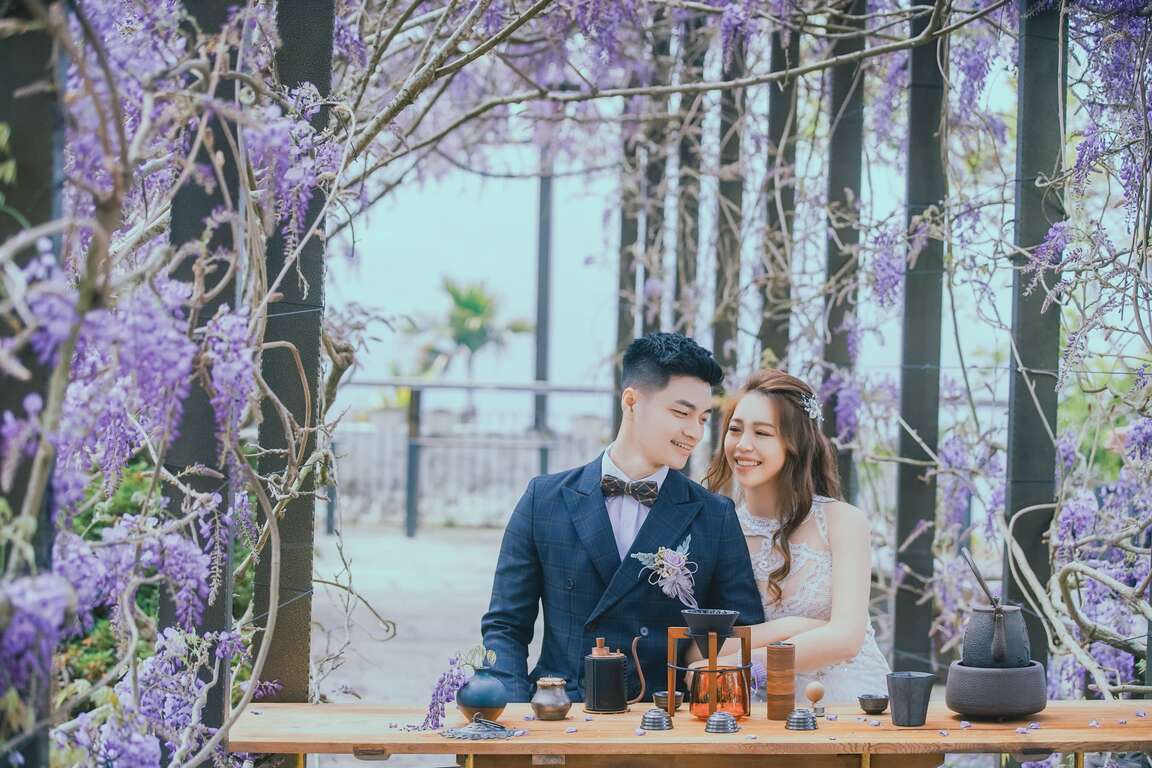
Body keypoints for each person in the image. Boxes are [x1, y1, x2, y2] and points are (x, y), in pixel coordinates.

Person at [481, 332, 765, 703]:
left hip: (665, 716)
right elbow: (505, 626)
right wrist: (514, 710)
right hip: (562, 710)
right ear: (631, 402)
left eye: (702, 418)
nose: (694, 432)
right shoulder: (544, 499)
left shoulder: (714, 515)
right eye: (681, 413)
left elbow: (739, 630)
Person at [692, 368, 889, 703]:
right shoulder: (719, 529)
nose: (743, 445)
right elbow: (698, 647)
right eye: (735, 430)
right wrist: (792, 627)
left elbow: (846, 639)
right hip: (757, 707)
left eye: (762, 433)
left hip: (844, 699)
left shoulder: (842, 521)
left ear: (794, 443)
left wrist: (737, 666)